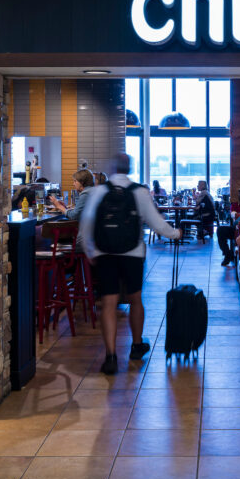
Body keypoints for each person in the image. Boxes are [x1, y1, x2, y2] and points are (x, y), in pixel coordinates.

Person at [80, 153, 181, 375]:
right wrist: (175, 233)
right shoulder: (139, 192)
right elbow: (156, 222)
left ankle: (111, 356)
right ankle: (136, 346)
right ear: (130, 168)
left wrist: (90, 250)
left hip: (105, 253)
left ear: (112, 168)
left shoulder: (99, 192)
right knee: (135, 300)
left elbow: (86, 222)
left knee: (109, 304)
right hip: (133, 253)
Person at [217, 186, 240, 266]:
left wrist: (238, 214)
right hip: (235, 230)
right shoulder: (235, 204)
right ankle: (227, 254)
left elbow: (237, 215)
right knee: (220, 230)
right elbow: (232, 215)